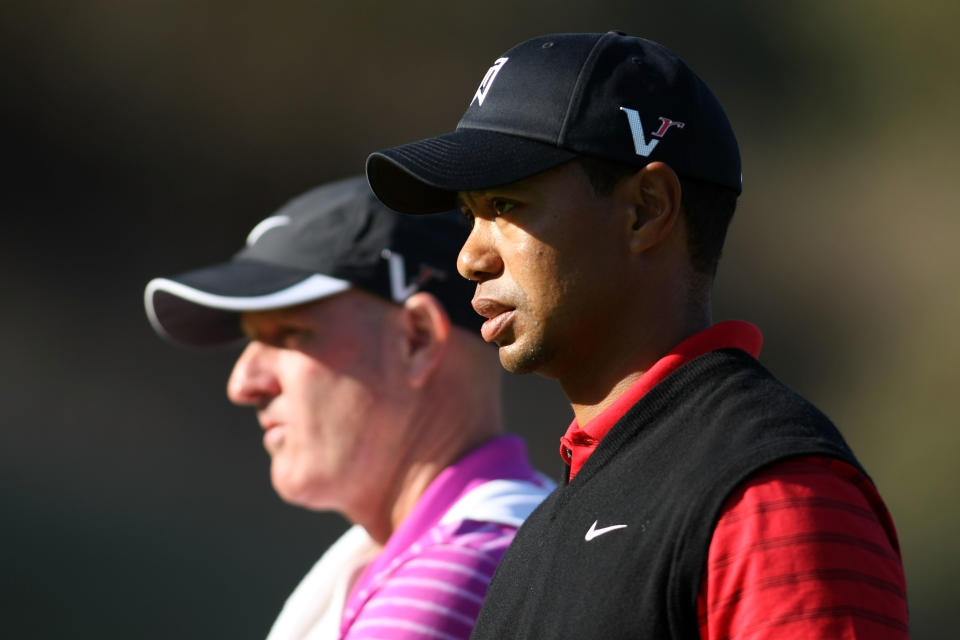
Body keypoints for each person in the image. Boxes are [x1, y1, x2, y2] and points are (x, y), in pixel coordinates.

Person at [366, 32, 909, 639]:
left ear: (647, 209)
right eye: (470, 216)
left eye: (507, 204)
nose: (470, 256)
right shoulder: (554, 521)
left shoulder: (769, 489)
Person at [143, 176, 554, 640]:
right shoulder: (489, 547)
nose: (243, 383)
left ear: (416, 340)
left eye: (288, 334)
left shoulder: (463, 570)